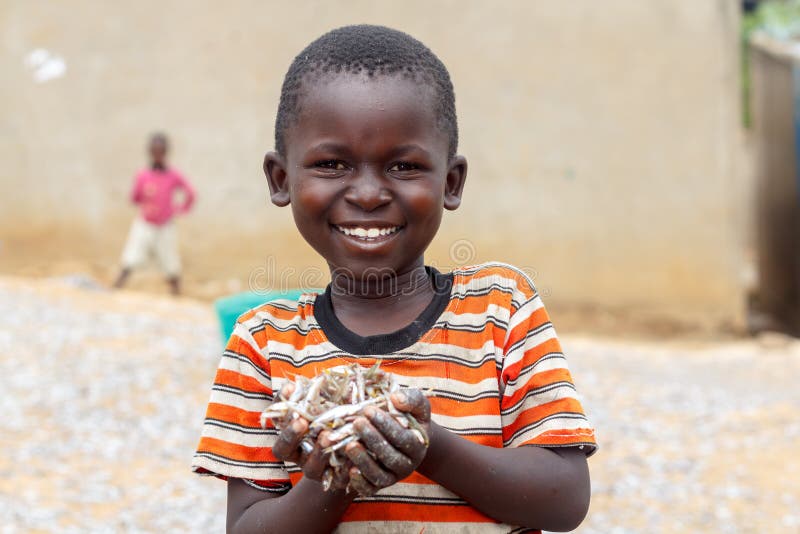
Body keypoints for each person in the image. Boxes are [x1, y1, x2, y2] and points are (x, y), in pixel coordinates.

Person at [192, 25, 596, 533]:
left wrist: (428, 445)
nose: (367, 193)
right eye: (331, 163)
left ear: (450, 183)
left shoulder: (501, 309)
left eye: (403, 165)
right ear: (281, 180)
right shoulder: (263, 345)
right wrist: (337, 471)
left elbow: (564, 500)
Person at [113, 133, 195, 295]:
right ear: (150, 152)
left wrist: (178, 209)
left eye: (161, 151)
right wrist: (147, 200)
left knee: (170, 260)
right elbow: (134, 197)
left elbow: (190, 194)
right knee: (132, 254)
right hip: (145, 223)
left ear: (166, 152)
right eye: (155, 151)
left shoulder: (173, 175)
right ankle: (117, 286)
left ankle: (176, 292)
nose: (158, 155)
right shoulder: (143, 175)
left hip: (165, 225)